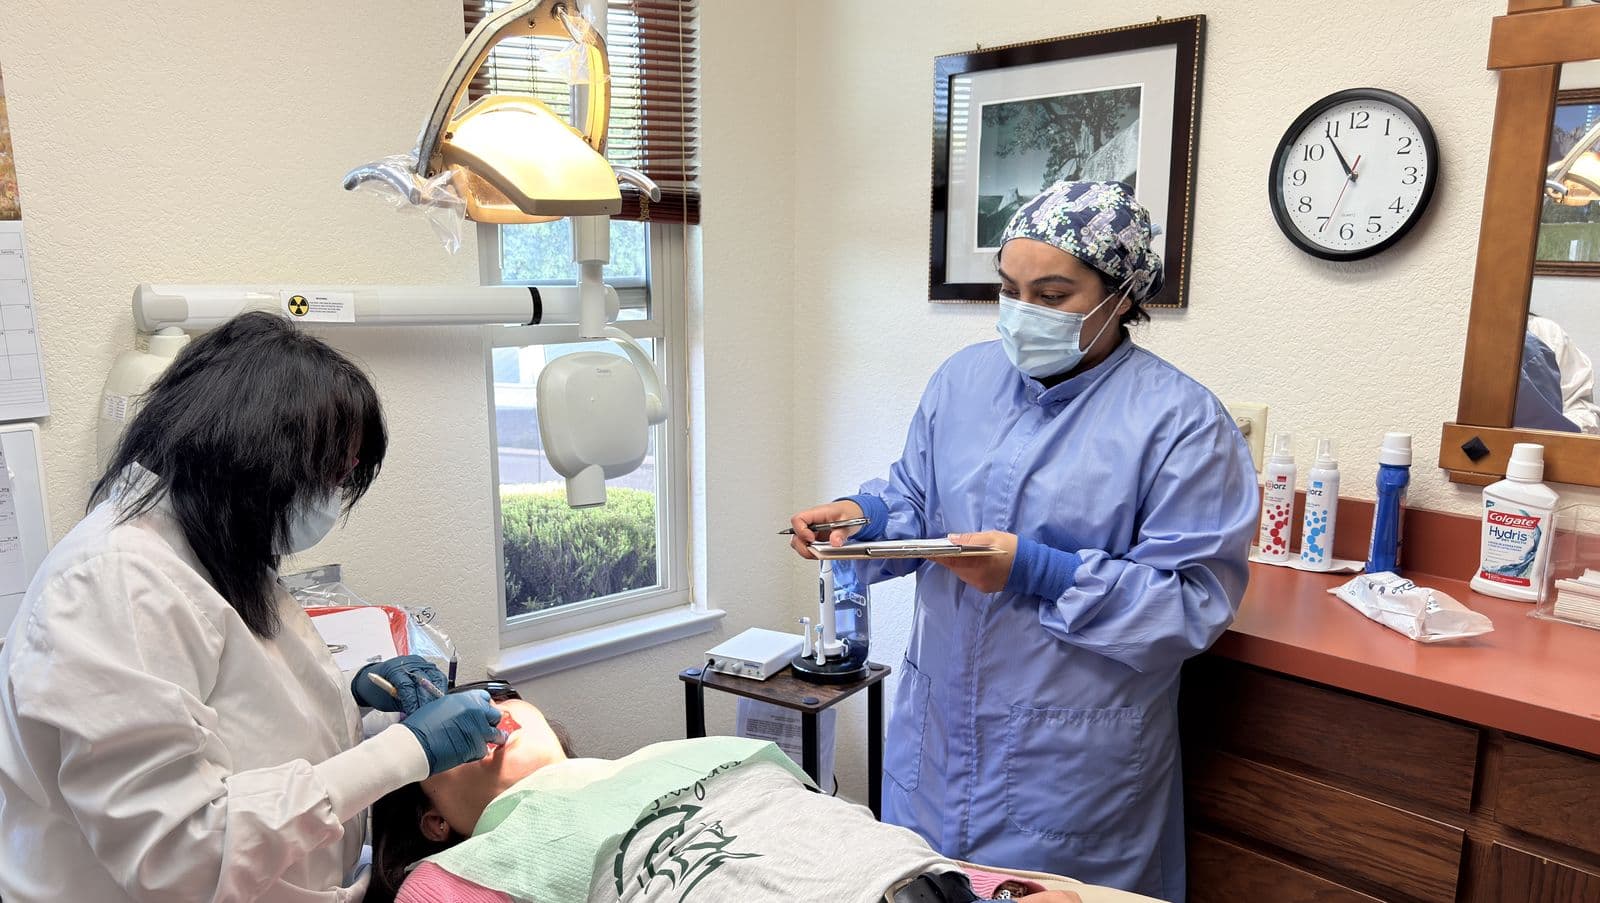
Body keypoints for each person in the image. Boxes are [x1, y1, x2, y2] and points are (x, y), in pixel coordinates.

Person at [788, 180, 1258, 901]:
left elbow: (1191, 604)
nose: (1021, 312)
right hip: (936, 750)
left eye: (1053, 293)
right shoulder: (963, 380)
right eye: (1009, 288)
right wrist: (866, 518)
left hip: (1069, 778)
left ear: (1124, 294)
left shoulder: (1182, 424)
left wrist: (1035, 569)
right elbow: (917, 495)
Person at [0, 312, 504, 903]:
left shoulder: (207, 542)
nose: (331, 501)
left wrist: (353, 699)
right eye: (328, 477)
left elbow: (235, 710)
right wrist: (406, 751)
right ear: (254, 458)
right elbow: (180, 854)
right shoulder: (117, 581)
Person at [369, 690, 1147, 903]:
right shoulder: (466, 867)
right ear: (433, 816)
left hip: (913, 881)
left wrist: (986, 886)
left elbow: (810, 823)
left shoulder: (669, 756)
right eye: (440, 735)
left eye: (493, 701)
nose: (477, 720)